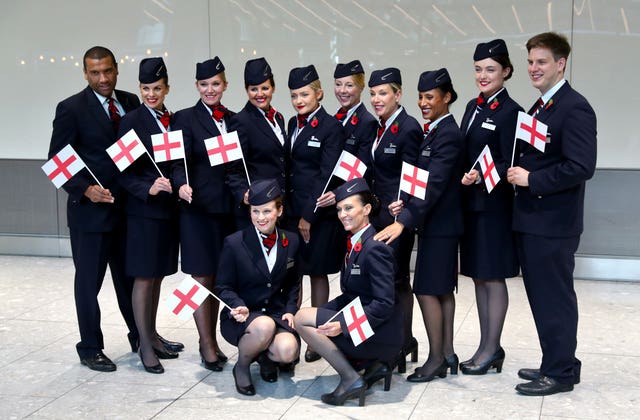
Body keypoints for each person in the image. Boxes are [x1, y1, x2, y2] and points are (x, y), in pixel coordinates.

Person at [507, 32, 597, 396]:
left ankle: (561, 372)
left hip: (553, 224)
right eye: (530, 62)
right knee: (542, 298)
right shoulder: (541, 106)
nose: (533, 68)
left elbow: (581, 166)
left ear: (560, 64)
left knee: (555, 298)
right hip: (533, 220)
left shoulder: (574, 107)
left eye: (541, 62)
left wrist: (532, 179)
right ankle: (553, 361)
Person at [48, 46, 139, 372]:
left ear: (116, 69)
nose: (103, 78)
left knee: (130, 282)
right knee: (88, 284)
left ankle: (141, 338)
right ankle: (89, 348)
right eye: (95, 73)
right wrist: (86, 189)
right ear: (85, 74)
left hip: (127, 211)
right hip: (90, 215)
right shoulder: (71, 108)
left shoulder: (130, 101)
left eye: (107, 71)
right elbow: (56, 161)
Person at [376, 68, 464, 382]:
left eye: (430, 97)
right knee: (440, 291)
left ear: (447, 98)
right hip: (434, 221)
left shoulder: (448, 134)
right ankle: (448, 353)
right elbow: (422, 182)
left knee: (427, 290)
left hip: (441, 225)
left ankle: (435, 359)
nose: (424, 103)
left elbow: (436, 184)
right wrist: (406, 202)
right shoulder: (434, 131)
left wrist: (405, 220)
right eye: (421, 97)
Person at [295, 178, 402, 407]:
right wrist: (324, 312)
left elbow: (384, 304)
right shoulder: (355, 241)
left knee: (302, 320)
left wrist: (343, 325)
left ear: (367, 209)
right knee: (310, 316)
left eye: (349, 208)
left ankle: (351, 378)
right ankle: (369, 365)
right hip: (366, 321)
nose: (343, 214)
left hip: (380, 333)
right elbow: (352, 295)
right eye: (340, 209)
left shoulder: (374, 248)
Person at [458, 39, 522, 375]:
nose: (484, 75)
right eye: (479, 69)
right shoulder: (472, 106)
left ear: (506, 72)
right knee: (479, 277)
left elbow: (510, 159)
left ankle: (491, 347)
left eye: (491, 70)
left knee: (493, 276)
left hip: (494, 206)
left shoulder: (512, 112)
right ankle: (486, 345)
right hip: (471, 204)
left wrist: (484, 174)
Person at [118, 57, 182, 374]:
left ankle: (153, 335)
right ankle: (143, 344)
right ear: (140, 89)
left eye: (157, 88)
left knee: (157, 276)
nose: (151, 94)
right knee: (144, 277)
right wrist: (149, 187)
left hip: (167, 213)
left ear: (166, 88)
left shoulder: (170, 119)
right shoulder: (132, 121)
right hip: (143, 213)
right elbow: (124, 174)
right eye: (146, 88)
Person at [172, 56, 235, 372]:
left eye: (215, 84)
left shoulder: (234, 119)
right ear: (197, 86)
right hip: (197, 211)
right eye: (204, 84)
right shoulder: (183, 119)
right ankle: (206, 343)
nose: (210, 89)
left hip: (229, 212)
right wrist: (180, 183)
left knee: (221, 278)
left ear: (225, 85)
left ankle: (215, 339)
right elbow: (173, 162)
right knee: (201, 278)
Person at [216, 179, 301, 396]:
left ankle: (264, 357)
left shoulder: (291, 240)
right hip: (243, 316)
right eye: (255, 211)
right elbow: (223, 286)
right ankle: (242, 367)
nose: (260, 218)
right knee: (263, 327)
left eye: (266, 211)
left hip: (275, 312)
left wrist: (290, 309)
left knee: (288, 351)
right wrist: (237, 305)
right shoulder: (234, 243)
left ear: (279, 211)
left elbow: (294, 282)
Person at [285, 65, 345, 362]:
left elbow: (326, 173)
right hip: (291, 214)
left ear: (319, 94)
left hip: (317, 215)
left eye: (305, 94)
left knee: (318, 273)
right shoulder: (291, 124)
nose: (299, 100)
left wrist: (309, 214)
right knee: (294, 273)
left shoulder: (331, 126)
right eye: (294, 95)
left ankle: (316, 337)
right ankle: (291, 332)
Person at [366, 67, 422, 372]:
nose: (376, 99)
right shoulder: (381, 126)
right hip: (376, 216)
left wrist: (406, 212)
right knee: (383, 281)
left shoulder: (409, 127)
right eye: (373, 93)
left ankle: (402, 341)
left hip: (396, 219)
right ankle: (396, 340)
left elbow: (415, 176)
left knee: (397, 281)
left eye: (383, 93)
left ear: (398, 95)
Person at [228, 57, 288, 227]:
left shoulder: (279, 117)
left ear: (273, 88)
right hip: (258, 208)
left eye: (265, 88)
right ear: (246, 90)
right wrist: (243, 193)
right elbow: (233, 168)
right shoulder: (240, 121)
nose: (260, 94)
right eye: (254, 89)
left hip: (279, 207)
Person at [333, 60, 377, 165]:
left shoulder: (368, 123)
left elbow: (362, 166)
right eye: (338, 84)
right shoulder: (333, 120)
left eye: (349, 85)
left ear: (361, 87)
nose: (342, 90)